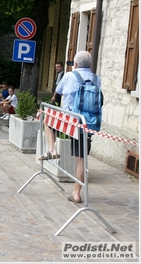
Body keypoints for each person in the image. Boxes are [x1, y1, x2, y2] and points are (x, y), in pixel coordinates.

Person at [54, 51, 101, 203]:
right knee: (82, 158)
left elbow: (59, 91)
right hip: (90, 122)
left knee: (49, 122)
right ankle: (77, 190)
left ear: (75, 64)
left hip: (72, 122)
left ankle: (76, 193)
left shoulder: (69, 76)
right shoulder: (96, 78)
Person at [38, 61, 65, 161]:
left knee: (49, 122)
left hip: (58, 98)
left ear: (62, 67)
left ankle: (52, 149)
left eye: (58, 67)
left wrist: (54, 96)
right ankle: (52, 149)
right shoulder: (58, 75)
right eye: (55, 67)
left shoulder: (63, 75)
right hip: (56, 98)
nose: (57, 68)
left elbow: (59, 87)